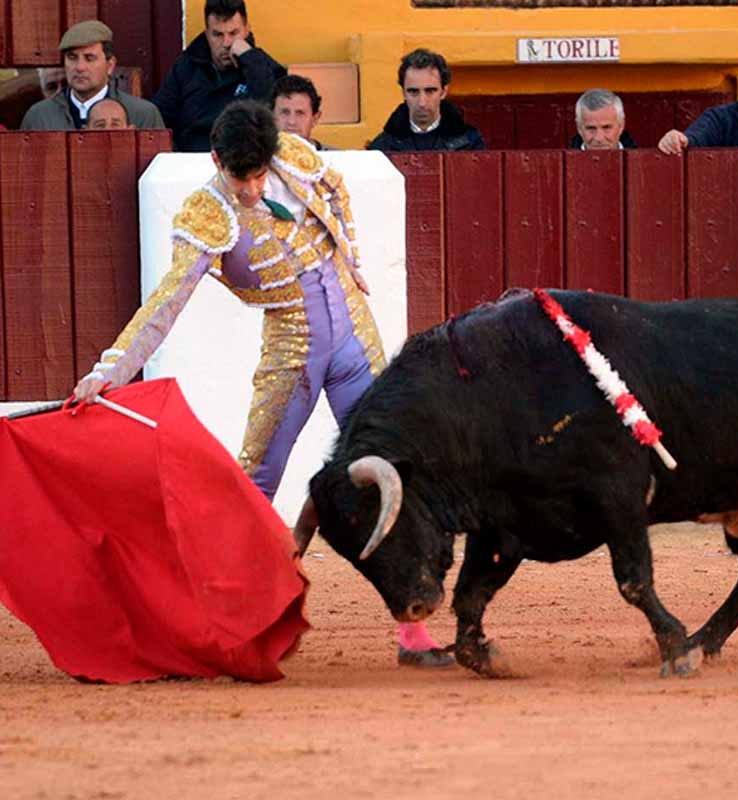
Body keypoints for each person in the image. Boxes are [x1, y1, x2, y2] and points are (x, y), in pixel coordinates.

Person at [73, 99, 453, 669]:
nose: (251, 189)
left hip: (354, 334)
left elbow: (335, 188)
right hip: (293, 348)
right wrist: (109, 372)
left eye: (257, 175)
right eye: (240, 177)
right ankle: (227, 624)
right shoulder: (206, 213)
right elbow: (165, 303)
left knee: (390, 471)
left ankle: (413, 631)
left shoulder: (292, 156)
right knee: (256, 484)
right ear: (217, 160)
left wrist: (349, 256)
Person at [153, 0, 286, 152]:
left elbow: (275, 111)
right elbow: (160, 115)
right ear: (207, 34)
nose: (226, 43)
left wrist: (250, 60)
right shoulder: (186, 66)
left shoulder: (262, 66)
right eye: (217, 34)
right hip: (191, 160)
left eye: (234, 33)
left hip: (243, 162)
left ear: (247, 30)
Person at [20, 20, 164, 131]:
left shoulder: (142, 114)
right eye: (72, 57)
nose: (80, 67)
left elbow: (160, 167)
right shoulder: (39, 116)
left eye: (89, 58)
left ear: (110, 65)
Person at [367, 48, 485, 152]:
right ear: (403, 92)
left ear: (443, 91)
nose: (422, 103)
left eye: (430, 91)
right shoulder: (381, 147)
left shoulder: (470, 143)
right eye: (413, 92)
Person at [270, 74, 332, 150]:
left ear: (314, 119)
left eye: (300, 113)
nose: (291, 122)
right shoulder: (256, 159)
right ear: (271, 116)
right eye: (285, 112)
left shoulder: (338, 159)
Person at [570, 88, 637, 150]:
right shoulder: (563, 162)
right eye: (591, 128)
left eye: (607, 127)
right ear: (579, 128)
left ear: (621, 126)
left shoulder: (641, 161)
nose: (599, 138)